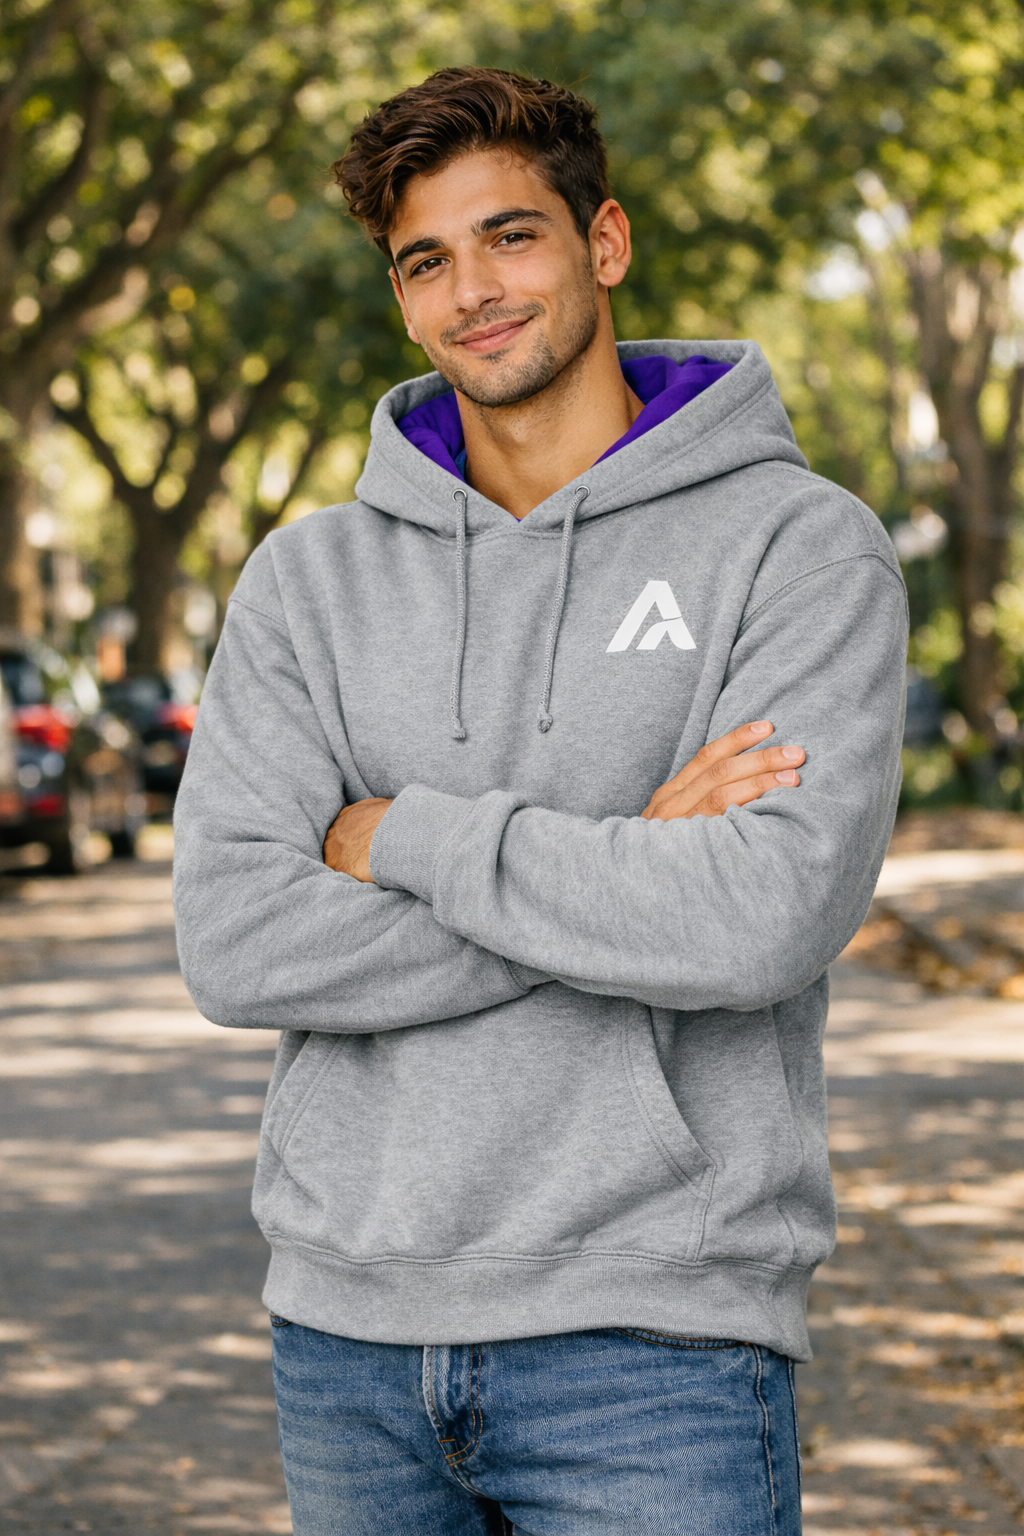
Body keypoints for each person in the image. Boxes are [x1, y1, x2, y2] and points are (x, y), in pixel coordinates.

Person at [173, 67, 907, 1536]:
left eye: (511, 236)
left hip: (661, 1342)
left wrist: (405, 840)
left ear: (606, 243)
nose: (472, 291)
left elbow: (761, 920)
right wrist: (633, 861)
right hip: (347, 1338)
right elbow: (237, 939)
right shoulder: (308, 583)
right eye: (425, 261)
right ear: (400, 298)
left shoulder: (797, 551)